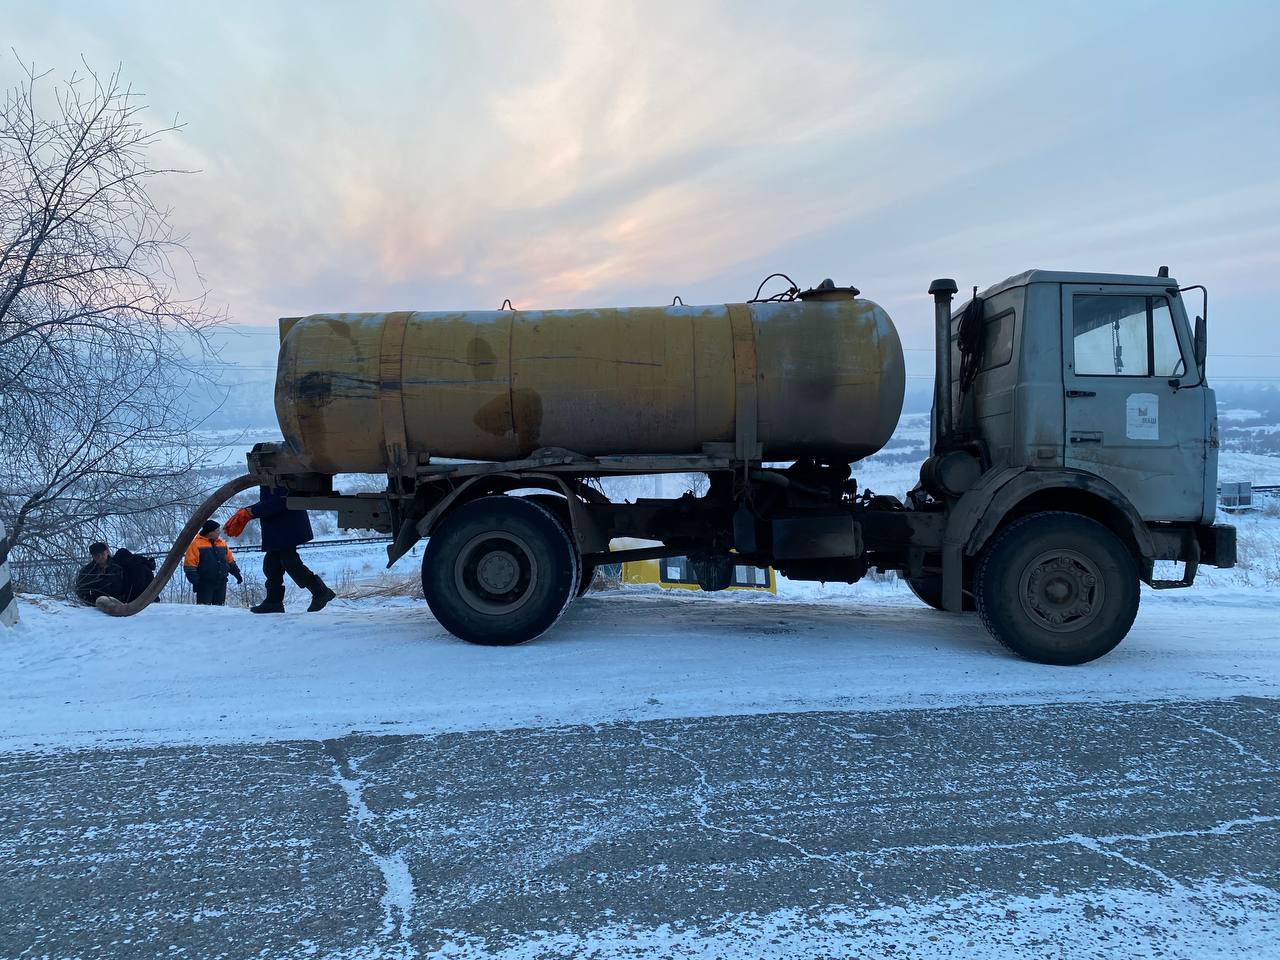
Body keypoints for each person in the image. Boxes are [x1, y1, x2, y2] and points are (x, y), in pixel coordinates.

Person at [228, 486, 335, 614]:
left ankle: (320, 592)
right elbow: (270, 500)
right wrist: (247, 512)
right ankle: (273, 602)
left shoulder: (281, 473)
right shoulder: (271, 473)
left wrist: (251, 512)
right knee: (271, 564)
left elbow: (281, 501)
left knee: (289, 562)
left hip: (286, 526)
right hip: (278, 526)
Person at [183, 520, 243, 606]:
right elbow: (190, 566)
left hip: (221, 583)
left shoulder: (222, 543)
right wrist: (196, 583)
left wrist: (237, 574)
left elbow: (230, 561)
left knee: (219, 610)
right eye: (217, 531)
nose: (219, 532)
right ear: (209, 532)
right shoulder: (195, 544)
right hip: (204, 585)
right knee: (204, 611)